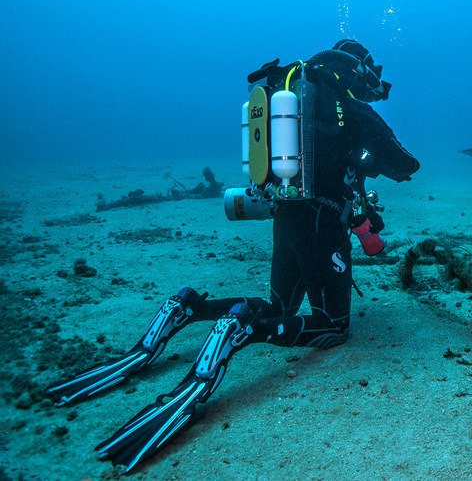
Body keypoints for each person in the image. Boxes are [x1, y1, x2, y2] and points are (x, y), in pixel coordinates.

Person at [46, 39, 419, 472]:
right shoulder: (350, 109)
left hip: (287, 215)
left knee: (280, 305)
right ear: (357, 72)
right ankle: (241, 327)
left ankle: (188, 306)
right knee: (333, 327)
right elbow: (407, 164)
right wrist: (369, 154)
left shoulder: (298, 99)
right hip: (321, 224)